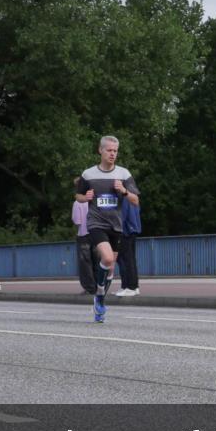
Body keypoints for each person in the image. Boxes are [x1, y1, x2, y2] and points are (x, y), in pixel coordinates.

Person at [75, 135, 140, 322]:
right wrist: (85, 197)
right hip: (96, 223)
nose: (113, 154)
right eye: (109, 150)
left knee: (111, 268)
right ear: (100, 150)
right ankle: (100, 293)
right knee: (108, 257)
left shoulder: (123, 174)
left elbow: (135, 201)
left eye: (115, 151)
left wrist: (125, 191)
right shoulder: (88, 174)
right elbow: (78, 196)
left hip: (116, 226)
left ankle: (99, 298)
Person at [72, 183, 96, 295]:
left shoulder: (78, 203)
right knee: (97, 261)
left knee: (85, 263)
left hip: (84, 235)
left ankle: (89, 287)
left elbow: (77, 221)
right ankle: (99, 285)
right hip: (96, 234)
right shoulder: (95, 200)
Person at [116, 195, 142, 296]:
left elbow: (122, 216)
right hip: (133, 230)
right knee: (131, 259)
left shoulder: (124, 198)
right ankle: (133, 287)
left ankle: (130, 287)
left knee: (126, 260)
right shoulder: (133, 197)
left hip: (125, 231)